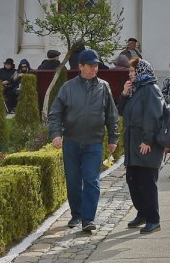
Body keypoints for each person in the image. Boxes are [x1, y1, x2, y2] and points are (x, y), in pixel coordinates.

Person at [48, 49, 118, 233]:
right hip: (71, 141)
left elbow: (111, 114)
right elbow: (55, 113)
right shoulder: (68, 88)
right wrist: (56, 133)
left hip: (94, 142)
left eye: (96, 65)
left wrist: (113, 138)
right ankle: (76, 214)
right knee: (73, 180)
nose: (95, 68)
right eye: (91, 65)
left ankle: (88, 219)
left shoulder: (104, 87)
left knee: (91, 180)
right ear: (80, 66)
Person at [119, 58, 163, 234]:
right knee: (132, 180)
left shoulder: (151, 89)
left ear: (141, 71)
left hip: (146, 144)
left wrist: (148, 140)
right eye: (129, 71)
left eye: (132, 71)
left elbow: (153, 116)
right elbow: (122, 112)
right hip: (133, 143)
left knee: (146, 182)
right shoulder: (135, 90)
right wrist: (124, 93)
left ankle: (154, 219)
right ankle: (143, 213)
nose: (130, 74)